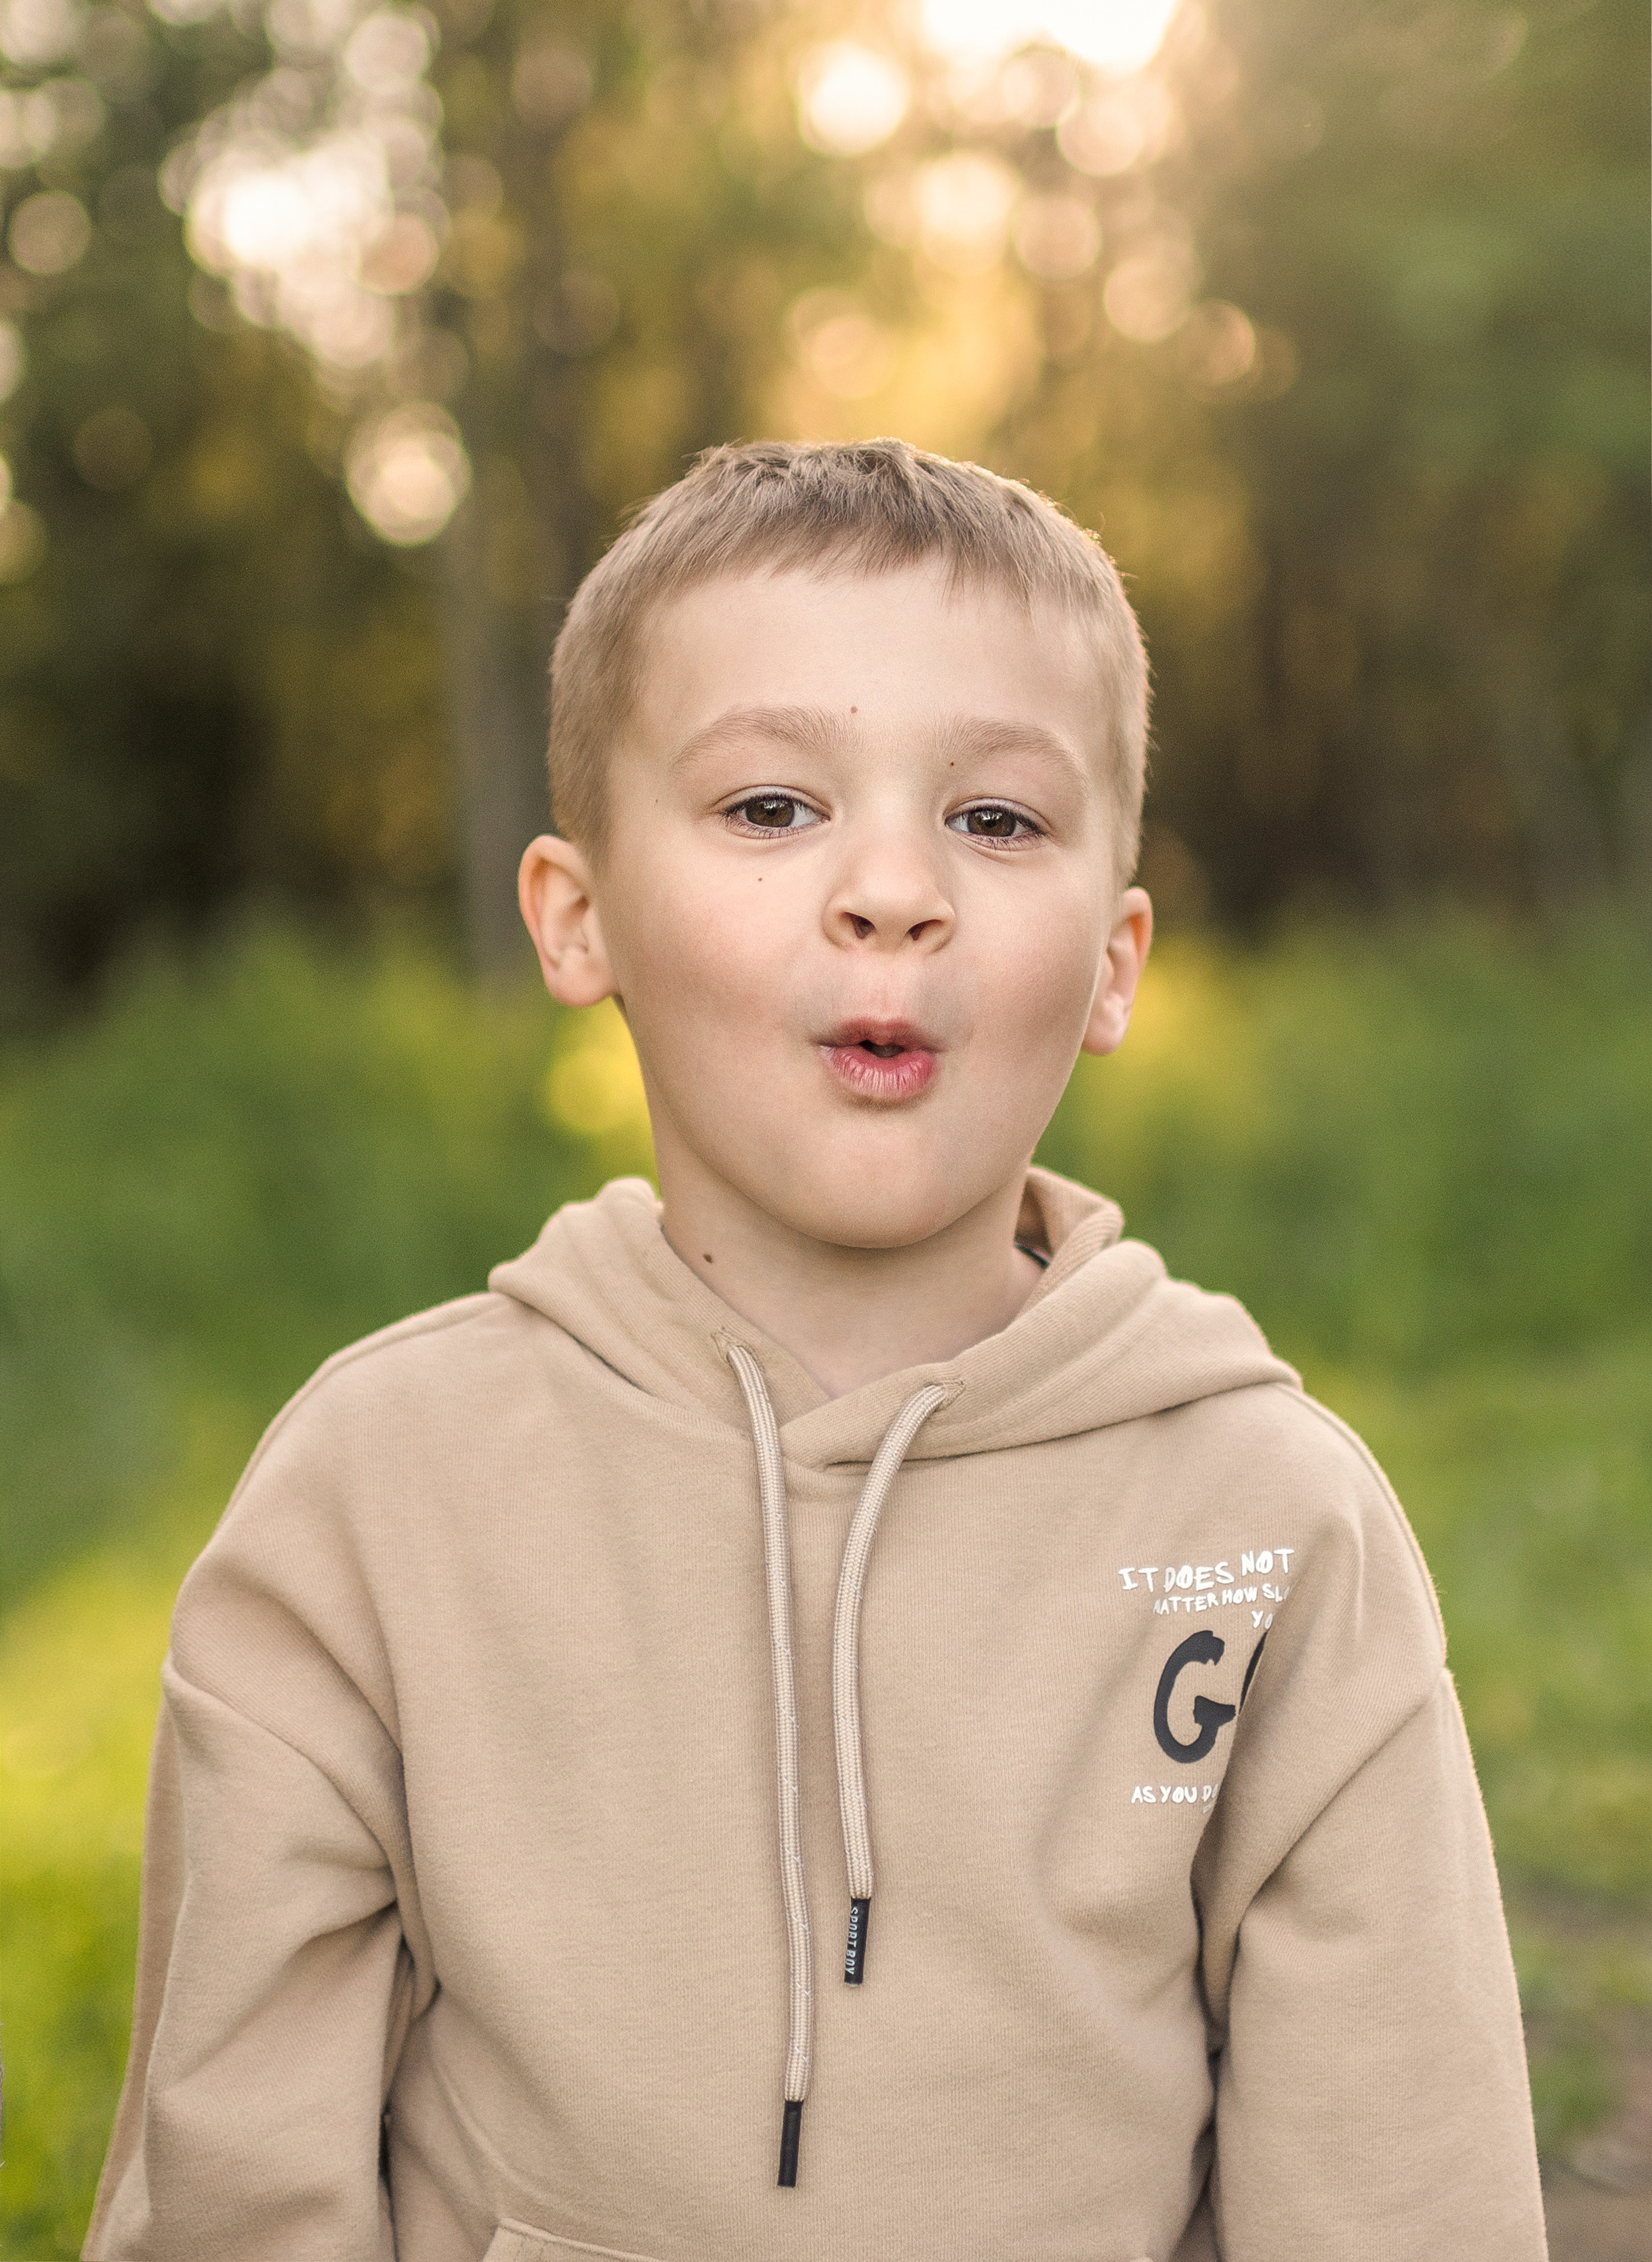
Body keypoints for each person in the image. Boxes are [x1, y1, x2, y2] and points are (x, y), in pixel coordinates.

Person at [87, 439, 1547, 2262]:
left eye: (996, 820)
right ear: (578, 914)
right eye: (772, 806)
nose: (889, 889)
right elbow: (235, 2190)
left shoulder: (1271, 1521)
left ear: (1112, 959)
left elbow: (1402, 2195)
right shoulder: (373, 1501)